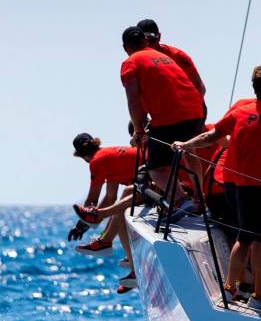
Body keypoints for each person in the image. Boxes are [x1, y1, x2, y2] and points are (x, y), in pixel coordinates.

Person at [173, 64, 261, 309]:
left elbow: (210, 136)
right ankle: (259, 296)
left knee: (245, 238)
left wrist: (184, 145)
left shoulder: (240, 112)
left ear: (254, 87)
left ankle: (229, 289)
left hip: (244, 186)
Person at [120, 26, 204, 202]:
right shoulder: (164, 56)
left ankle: (182, 201)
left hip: (170, 118)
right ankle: (199, 199)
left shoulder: (131, 62)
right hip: (196, 112)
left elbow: (133, 101)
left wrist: (139, 131)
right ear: (145, 41)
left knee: (157, 169)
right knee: (188, 151)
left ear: (125, 48)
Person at [70, 133, 139, 293]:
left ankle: (105, 243)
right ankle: (133, 266)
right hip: (148, 182)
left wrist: (81, 225)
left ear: (82, 156)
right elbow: (109, 197)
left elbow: (91, 201)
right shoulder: (109, 157)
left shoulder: (97, 162)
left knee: (122, 205)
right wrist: (83, 226)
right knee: (120, 214)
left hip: (155, 181)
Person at [137, 19, 206, 97]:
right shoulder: (137, 63)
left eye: (151, 40)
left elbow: (200, 87)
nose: (148, 45)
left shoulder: (177, 56)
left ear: (159, 36)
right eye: (143, 42)